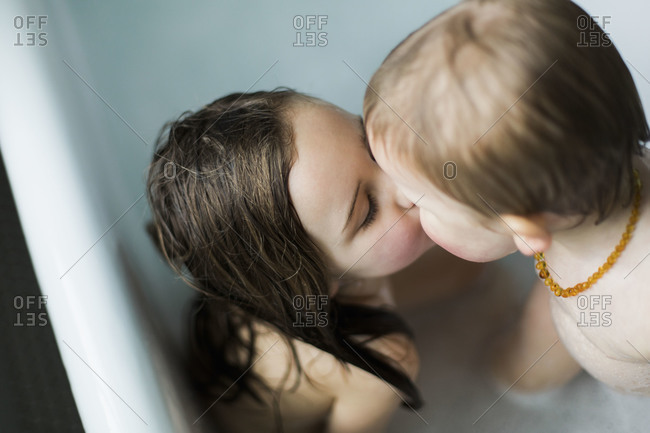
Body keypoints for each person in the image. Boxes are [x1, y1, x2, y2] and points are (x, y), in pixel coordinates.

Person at [363, 0, 650, 394]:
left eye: (420, 201)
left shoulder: (639, 308)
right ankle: (523, 378)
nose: (401, 204)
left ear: (523, 229)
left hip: (623, 358)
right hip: (583, 310)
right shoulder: (595, 178)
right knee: (529, 360)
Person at [147, 89, 444, 433]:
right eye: (369, 211)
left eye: (373, 148)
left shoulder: (235, 275)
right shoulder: (379, 361)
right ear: (319, 284)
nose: (407, 185)